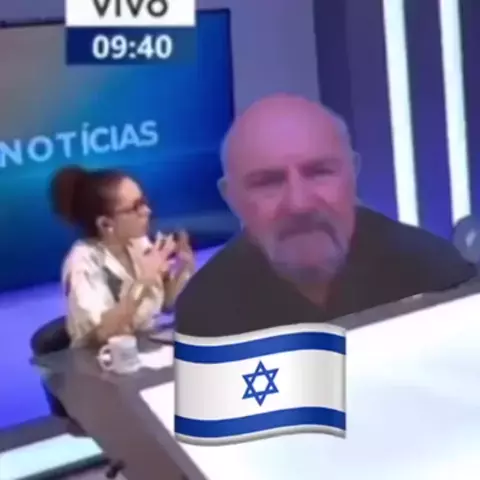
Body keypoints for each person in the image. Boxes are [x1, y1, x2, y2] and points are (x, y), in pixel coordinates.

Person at [175, 94, 477, 337]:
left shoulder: (434, 272)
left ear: (353, 174)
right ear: (231, 197)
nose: (299, 204)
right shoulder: (206, 312)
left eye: (319, 172)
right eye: (268, 182)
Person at [50, 166, 195, 347]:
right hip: (101, 359)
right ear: (105, 224)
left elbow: (166, 304)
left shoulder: (138, 243)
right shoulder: (83, 263)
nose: (147, 211)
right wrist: (144, 282)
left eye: (144, 201)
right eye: (136, 207)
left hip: (146, 350)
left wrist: (183, 268)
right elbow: (103, 334)